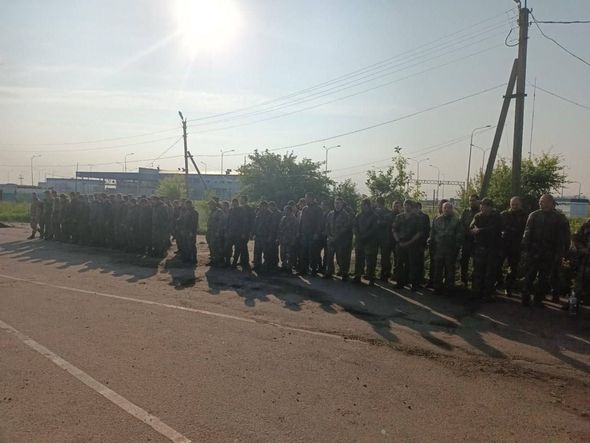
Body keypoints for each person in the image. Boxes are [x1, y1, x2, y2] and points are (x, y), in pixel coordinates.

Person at [521, 194, 570, 307]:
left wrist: (562, 253)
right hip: (534, 251)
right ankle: (525, 297)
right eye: (541, 202)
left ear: (552, 203)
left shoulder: (560, 218)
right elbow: (527, 233)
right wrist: (525, 249)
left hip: (550, 252)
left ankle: (538, 299)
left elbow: (565, 237)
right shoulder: (534, 215)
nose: (542, 204)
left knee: (544, 277)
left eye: (545, 202)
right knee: (529, 275)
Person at [470, 198, 502, 300]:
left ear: (490, 207)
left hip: (493, 248)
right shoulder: (477, 216)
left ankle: (488, 293)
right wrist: (474, 230)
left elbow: (494, 229)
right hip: (480, 247)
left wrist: (480, 230)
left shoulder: (496, 217)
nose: (482, 208)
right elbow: (472, 227)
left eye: (484, 206)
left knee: (490, 272)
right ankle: (476, 292)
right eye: (481, 206)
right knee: (478, 271)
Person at [430, 202, 462, 295]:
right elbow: (433, 233)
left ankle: (449, 288)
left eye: (449, 207)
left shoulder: (456, 220)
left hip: (450, 249)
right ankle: (437, 287)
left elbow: (459, 235)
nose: (447, 209)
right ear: (442, 209)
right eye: (445, 207)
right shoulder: (437, 219)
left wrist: (456, 248)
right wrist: (432, 245)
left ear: (452, 209)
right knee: (438, 269)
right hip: (439, 249)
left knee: (450, 270)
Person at [498, 196, 528, 296]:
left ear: (520, 205)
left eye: (516, 204)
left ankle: (508, 287)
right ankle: (499, 283)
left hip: (516, 245)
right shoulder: (504, 214)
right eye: (512, 204)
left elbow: (527, 230)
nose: (514, 206)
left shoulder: (525, 216)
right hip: (503, 244)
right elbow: (497, 227)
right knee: (497, 265)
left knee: (513, 268)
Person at [392, 200, 423, 291]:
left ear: (412, 207)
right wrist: (398, 240)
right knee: (399, 264)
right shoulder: (399, 217)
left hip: (413, 244)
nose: (406, 207)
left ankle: (414, 284)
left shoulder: (417, 218)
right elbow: (394, 229)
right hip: (400, 243)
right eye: (405, 205)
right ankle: (400, 282)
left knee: (413, 265)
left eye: (409, 205)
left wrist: (409, 242)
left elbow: (419, 232)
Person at [324, 196, 353, 281]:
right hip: (331, 239)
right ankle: (329, 272)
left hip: (340, 240)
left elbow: (345, 228)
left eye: (338, 203)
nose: (337, 205)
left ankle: (344, 273)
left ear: (342, 204)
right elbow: (327, 226)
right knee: (329, 257)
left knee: (341, 258)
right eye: (335, 203)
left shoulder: (345, 215)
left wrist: (336, 237)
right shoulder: (330, 214)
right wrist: (329, 236)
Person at [353, 198, 378, 285]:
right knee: (359, 260)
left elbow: (374, 229)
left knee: (370, 261)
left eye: (363, 204)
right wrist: (357, 235)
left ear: (367, 205)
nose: (361, 206)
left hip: (370, 242)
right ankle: (357, 276)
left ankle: (371, 278)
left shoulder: (374, 216)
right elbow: (355, 226)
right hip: (359, 241)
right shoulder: (359, 215)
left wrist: (364, 236)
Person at [298, 193, 323, 276]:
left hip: (313, 234)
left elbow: (319, 223)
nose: (306, 199)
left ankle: (313, 270)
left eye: (307, 198)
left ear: (311, 198)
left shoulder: (318, 209)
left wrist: (317, 233)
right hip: (304, 234)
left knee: (313, 253)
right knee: (303, 252)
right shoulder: (305, 209)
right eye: (305, 198)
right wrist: (299, 232)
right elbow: (301, 221)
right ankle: (303, 269)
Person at [460, 194, 480, 287]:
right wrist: (466, 232)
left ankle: (475, 282)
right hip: (466, 240)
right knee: (464, 260)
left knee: (476, 263)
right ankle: (463, 280)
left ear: (478, 201)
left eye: (473, 200)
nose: (472, 202)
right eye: (470, 200)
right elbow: (461, 223)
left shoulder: (481, 212)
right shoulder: (466, 211)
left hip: (477, 241)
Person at [374, 197, 393, 282]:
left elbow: (387, 222)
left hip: (384, 237)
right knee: (378, 256)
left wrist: (379, 222)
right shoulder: (375, 211)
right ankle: (380, 274)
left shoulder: (387, 212)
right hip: (378, 237)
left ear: (378, 202)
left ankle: (384, 274)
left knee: (385, 257)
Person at [278, 204, 298, 272]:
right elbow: (280, 229)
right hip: (283, 239)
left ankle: (289, 267)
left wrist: (293, 240)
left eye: (286, 210)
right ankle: (284, 266)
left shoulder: (294, 219)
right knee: (282, 254)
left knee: (289, 254)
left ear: (290, 211)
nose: (285, 212)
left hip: (290, 240)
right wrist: (279, 238)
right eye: (284, 210)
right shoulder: (283, 218)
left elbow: (295, 231)